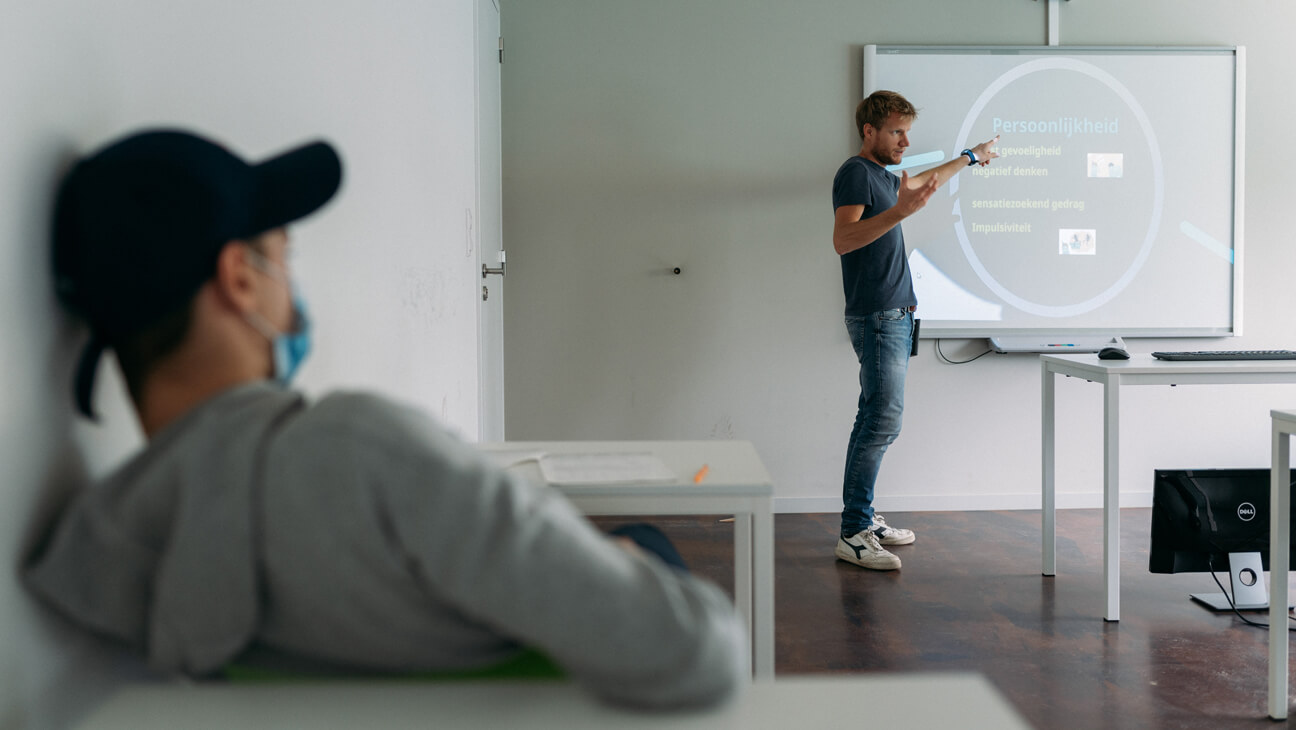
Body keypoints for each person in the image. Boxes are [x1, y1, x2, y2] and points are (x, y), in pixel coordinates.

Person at [22, 129, 747, 709]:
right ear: (240, 279)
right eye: (284, 256)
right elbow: (701, 658)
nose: (291, 283)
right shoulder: (362, 451)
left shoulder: (105, 543)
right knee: (645, 541)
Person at [830, 91, 999, 570]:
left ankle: (863, 517)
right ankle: (853, 531)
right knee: (880, 421)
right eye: (896, 132)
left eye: (907, 132)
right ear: (869, 132)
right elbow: (844, 240)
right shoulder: (855, 173)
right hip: (877, 315)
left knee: (881, 418)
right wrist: (901, 213)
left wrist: (971, 157)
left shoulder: (884, 177)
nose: (906, 141)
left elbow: (929, 179)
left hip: (897, 314)